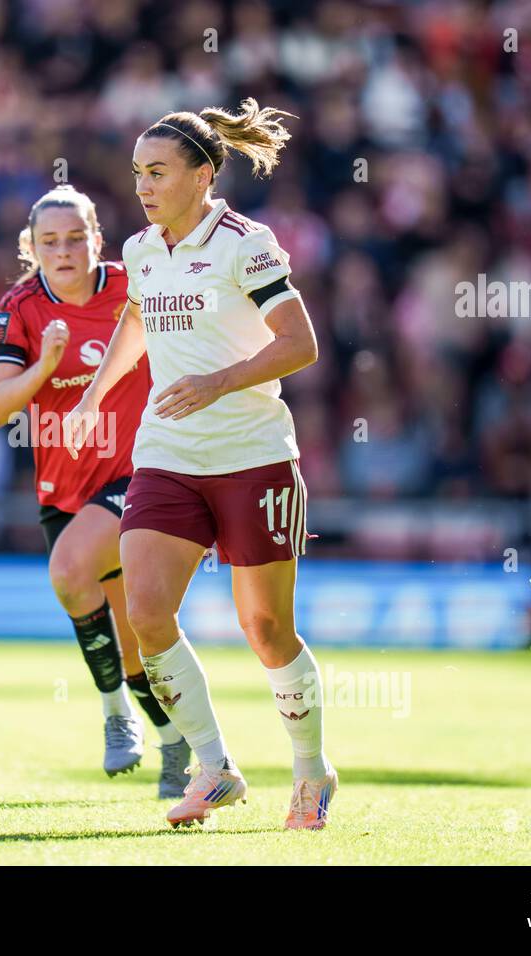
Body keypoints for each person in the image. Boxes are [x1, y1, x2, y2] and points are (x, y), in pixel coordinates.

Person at [63, 100, 335, 829]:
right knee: (148, 614)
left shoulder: (247, 244)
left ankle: (311, 773)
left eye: (157, 172)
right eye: (137, 173)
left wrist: (216, 382)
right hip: (167, 456)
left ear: (202, 174)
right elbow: (139, 319)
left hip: (252, 457)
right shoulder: (144, 250)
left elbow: (300, 343)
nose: (144, 186)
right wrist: (94, 394)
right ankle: (214, 769)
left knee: (267, 628)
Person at [0, 184, 190, 797]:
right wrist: (44, 368)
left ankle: (113, 715)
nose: (65, 251)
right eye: (50, 241)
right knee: (134, 648)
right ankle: (181, 743)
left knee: (70, 570)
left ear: (99, 238)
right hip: (64, 490)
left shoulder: (137, 287)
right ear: (32, 249)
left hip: (142, 474)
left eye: (77, 237)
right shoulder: (21, 307)